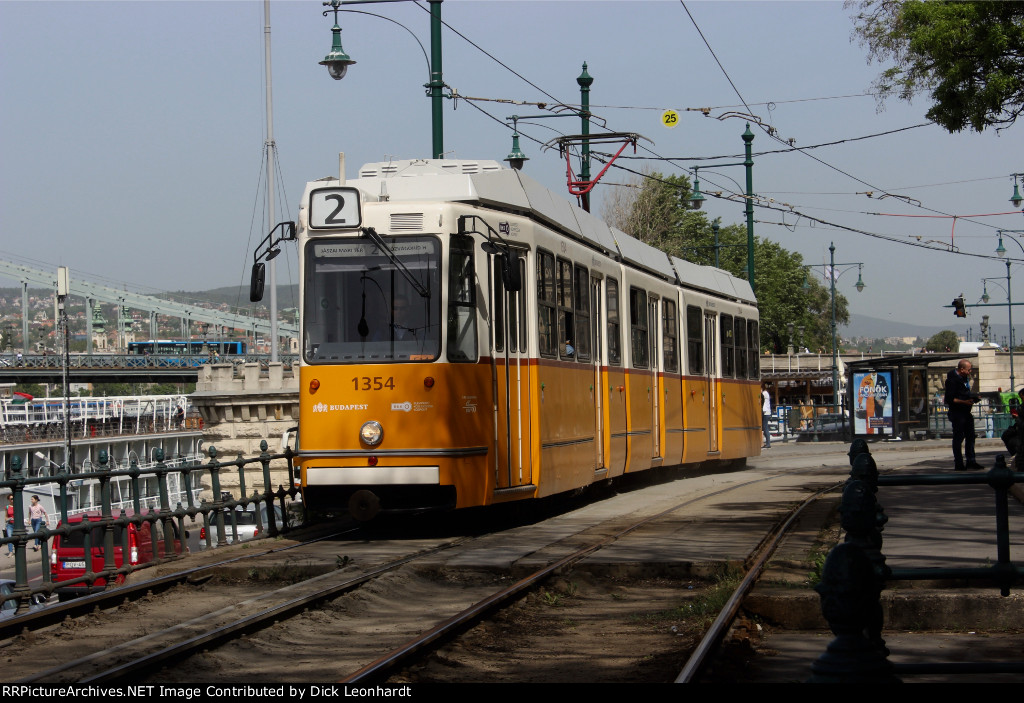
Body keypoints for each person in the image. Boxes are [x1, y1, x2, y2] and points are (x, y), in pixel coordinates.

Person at [945, 359, 983, 471]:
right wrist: (965, 402)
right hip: (957, 413)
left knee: (970, 436)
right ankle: (959, 463)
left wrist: (973, 398)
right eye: (969, 370)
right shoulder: (952, 380)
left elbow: (964, 393)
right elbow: (950, 399)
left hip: (966, 412)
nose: (970, 371)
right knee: (958, 437)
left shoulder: (964, 378)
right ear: (962, 369)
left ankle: (971, 461)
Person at [761, 382, 772, 448]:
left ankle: (768, 443)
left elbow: (759, 396)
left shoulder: (764, 393)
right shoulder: (766, 393)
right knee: (765, 427)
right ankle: (767, 443)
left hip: (765, 412)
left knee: (765, 427)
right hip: (767, 411)